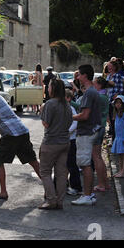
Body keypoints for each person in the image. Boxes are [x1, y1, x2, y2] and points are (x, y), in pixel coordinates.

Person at [39, 78, 72, 210]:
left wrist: (42, 112)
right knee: (61, 173)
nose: (48, 88)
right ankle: (59, 201)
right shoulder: (67, 105)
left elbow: (46, 124)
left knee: (45, 172)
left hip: (51, 142)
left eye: (49, 86)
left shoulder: (50, 104)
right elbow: (69, 123)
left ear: (53, 89)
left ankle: (51, 200)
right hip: (64, 142)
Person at [71, 65, 101, 206]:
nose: (77, 78)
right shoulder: (92, 91)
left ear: (85, 76)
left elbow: (85, 115)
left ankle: (87, 195)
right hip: (90, 131)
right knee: (86, 164)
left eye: (79, 75)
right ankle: (89, 194)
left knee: (85, 164)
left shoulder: (89, 93)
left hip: (86, 132)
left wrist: (70, 117)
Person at [93, 76, 110, 191]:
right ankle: (105, 183)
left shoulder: (100, 97)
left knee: (96, 157)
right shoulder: (103, 96)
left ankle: (101, 184)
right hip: (101, 126)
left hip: (97, 127)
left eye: (94, 83)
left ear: (99, 85)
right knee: (98, 157)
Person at [65, 89, 82, 196]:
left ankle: (76, 187)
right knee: (63, 164)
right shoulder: (64, 108)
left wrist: (66, 131)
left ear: (68, 98)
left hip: (71, 139)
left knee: (71, 164)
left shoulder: (71, 109)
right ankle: (62, 185)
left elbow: (75, 123)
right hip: (64, 139)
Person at [111, 95, 124, 178]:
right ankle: (120, 170)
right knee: (119, 155)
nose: (118, 105)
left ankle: (123, 171)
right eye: (116, 103)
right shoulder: (116, 114)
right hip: (118, 137)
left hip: (123, 137)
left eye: (120, 103)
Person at [106, 60, 124, 138]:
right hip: (109, 101)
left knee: (115, 121)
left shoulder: (117, 76)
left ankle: (116, 139)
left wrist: (116, 96)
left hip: (115, 102)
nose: (108, 67)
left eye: (110, 66)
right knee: (111, 121)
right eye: (108, 66)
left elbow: (121, 89)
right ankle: (114, 139)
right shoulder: (108, 76)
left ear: (114, 67)